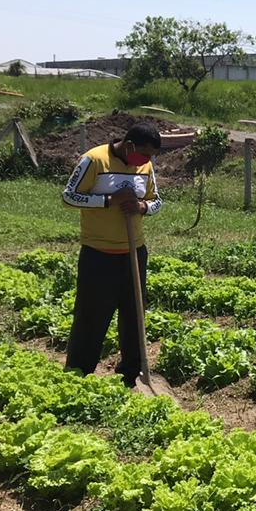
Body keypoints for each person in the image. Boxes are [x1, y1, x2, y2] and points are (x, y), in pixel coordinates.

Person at [61, 123, 162, 386]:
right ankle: (79, 372)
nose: (147, 161)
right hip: (98, 253)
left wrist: (141, 207)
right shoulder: (93, 160)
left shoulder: (145, 167)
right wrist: (108, 201)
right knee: (92, 315)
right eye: (144, 154)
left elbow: (157, 201)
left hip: (134, 251)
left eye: (151, 156)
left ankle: (132, 372)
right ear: (129, 145)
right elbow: (69, 197)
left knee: (134, 313)